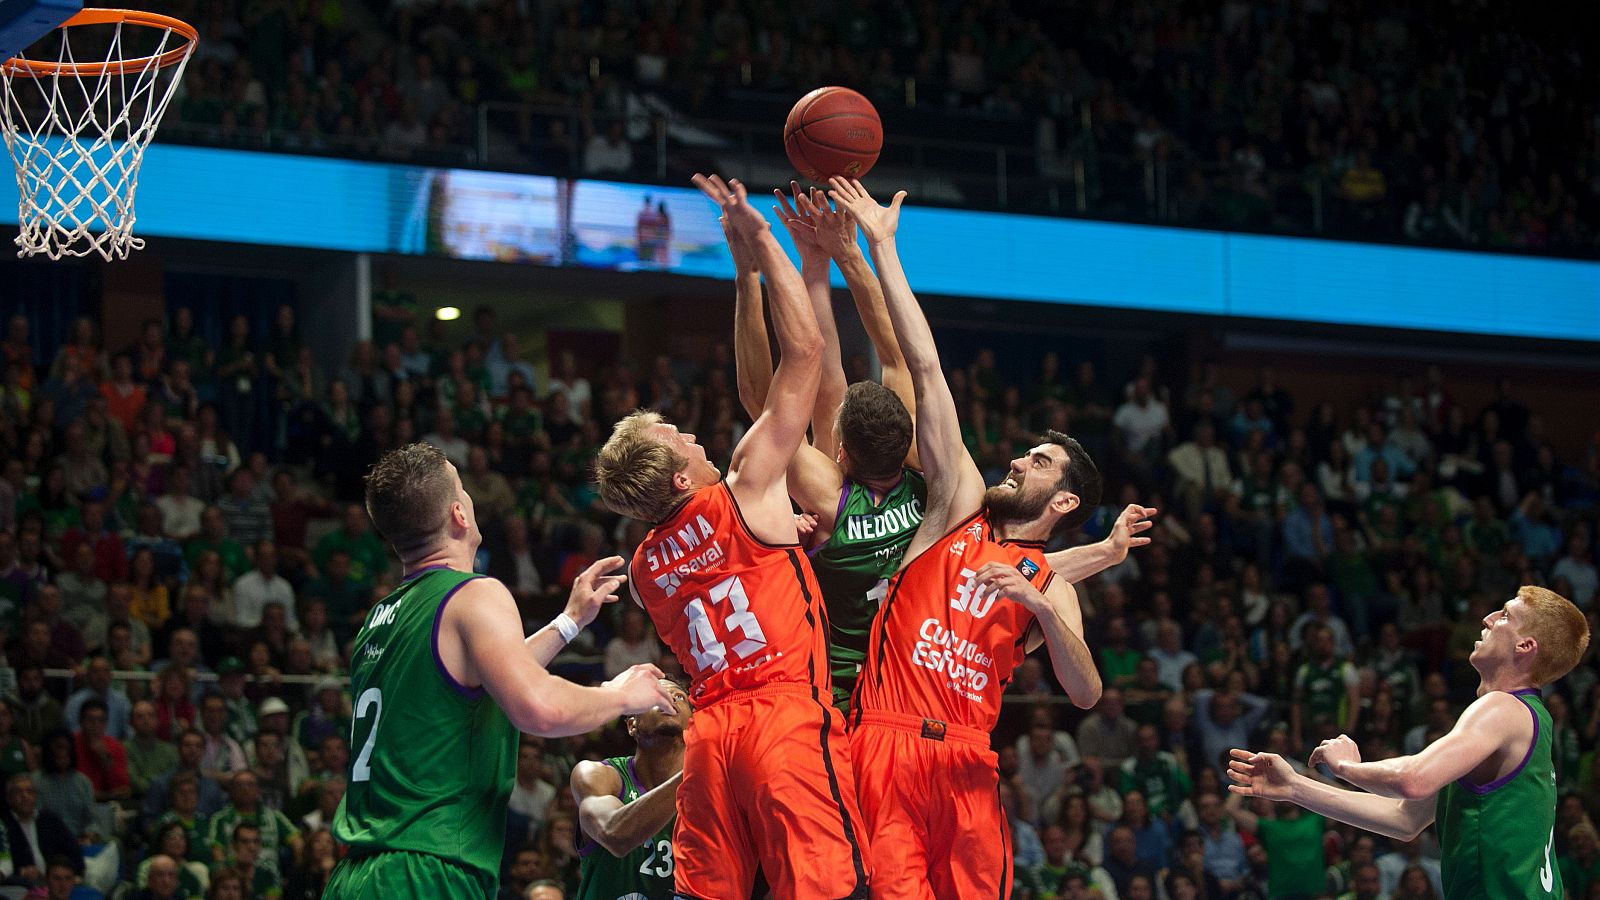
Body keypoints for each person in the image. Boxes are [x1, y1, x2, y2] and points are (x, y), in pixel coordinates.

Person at [736, 185, 1155, 714]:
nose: (1017, 460)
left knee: (820, 389)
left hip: (845, 697)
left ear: (839, 452)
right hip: (882, 707)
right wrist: (1105, 554)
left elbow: (783, 394)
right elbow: (901, 360)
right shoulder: (943, 497)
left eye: (1038, 460)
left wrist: (788, 267)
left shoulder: (861, 500)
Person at [595, 174, 871, 900]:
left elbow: (728, 581)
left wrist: (792, 551)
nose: (692, 434)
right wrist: (762, 240)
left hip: (712, 739)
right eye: (679, 438)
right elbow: (806, 352)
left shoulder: (648, 565)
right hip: (785, 717)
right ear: (681, 478)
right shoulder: (744, 485)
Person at [826, 177, 1101, 898]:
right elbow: (926, 369)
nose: (1018, 460)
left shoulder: (1052, 586)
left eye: (1038, 462)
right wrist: (883, 251)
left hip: (969, 761)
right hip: (884, 739)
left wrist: (1040, 607)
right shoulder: (959, 505)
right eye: (1024, 453)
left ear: (1065, 500)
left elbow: (1085, 692)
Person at [326, 442, 673, 899]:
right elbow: (538, 709)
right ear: (458, 514)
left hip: (358, 875)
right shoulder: (474, 594)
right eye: (463, 488)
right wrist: (623, 694)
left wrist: (568, 623)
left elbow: (482, 683)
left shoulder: (382, 617)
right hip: (429, 869)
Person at [1229, 586, 1591, 899]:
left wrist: (1345, 766)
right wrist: (1295, 787)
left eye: (1505, 616)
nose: (1487, 618)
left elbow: (1413, 779)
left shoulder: (1503, 708)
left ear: (1526, 646)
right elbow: (1404, 819)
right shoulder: (1523, 719)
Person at [570, 678, 691, 900]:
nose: (670, 700)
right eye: (657, 696)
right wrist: (692, 773)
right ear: (632, 724)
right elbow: (614, 834)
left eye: (679, 697)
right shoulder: (600, 775)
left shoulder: (711, 791)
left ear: (693, 724)